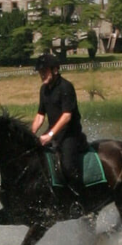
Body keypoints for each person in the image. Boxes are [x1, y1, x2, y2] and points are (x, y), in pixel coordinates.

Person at [30, 53, 88, 215]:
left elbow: (67, 115)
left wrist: (50, 135)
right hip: (53, 134)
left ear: (55, 70)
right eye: (40, 72)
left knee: (68, 167)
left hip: (70, 135)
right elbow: (40, 115)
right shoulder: (44, 90)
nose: (42, 74)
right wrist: (30, 134)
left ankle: (79, 201)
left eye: (45, 71)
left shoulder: (66, 87)